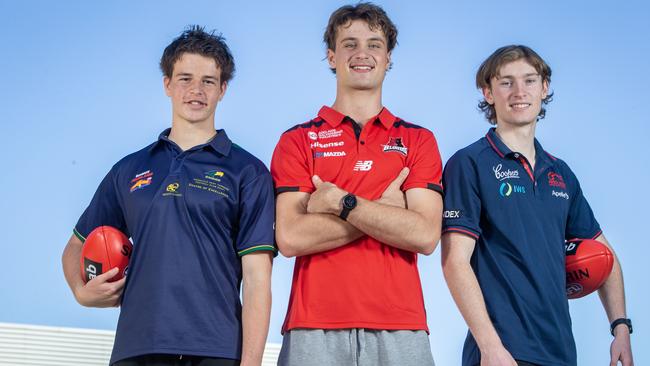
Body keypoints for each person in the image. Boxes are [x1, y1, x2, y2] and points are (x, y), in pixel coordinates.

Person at [61, 26, 275, 366]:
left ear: (222, 89)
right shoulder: (129, 169)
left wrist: (251, 363)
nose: (196, 91)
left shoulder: (247, 171)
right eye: (185, 78)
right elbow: (76, 245)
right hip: (138, 345)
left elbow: (257, 279)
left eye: (208, 81)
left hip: (216, 348)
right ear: (167, 85)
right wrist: (80, 290)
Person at [271, 3, 443, 366]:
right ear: (331, 56)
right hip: (313, 325)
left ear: (388, 57)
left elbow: (426, 234)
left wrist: (341, 202)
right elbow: (290, 238)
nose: (362, 53)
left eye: (374, 44)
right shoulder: (297, 140)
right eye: (349, 44)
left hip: (402, 324)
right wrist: (386, 211)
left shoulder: (418, 140)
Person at [441, 45, 634, 366]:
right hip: (502, 354)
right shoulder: (469, 163)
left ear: (544, 88)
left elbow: (606, 256)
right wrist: (490, 347)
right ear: (488, 92)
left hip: (561, 353)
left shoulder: (561, 173)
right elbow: (454, 261)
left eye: (530, 80)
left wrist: (621, 328)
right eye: (506, 82)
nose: (519, 91)